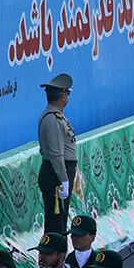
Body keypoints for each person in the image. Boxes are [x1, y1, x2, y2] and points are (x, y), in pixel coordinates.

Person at [37, 74, 78, 237]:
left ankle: (57, 256)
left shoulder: (55, 116)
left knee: (60, 219)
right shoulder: (52, 119)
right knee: (56, 223)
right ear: (62, 96)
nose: (67, 97)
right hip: (56, 176)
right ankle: (54, 258)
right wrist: (64, 180)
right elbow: (56, 154)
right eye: (67, 93)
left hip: (59, 173)